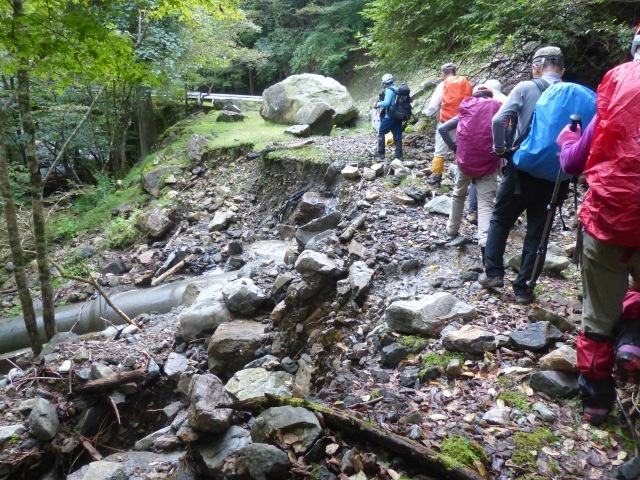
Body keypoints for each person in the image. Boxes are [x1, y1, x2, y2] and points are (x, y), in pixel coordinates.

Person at [555, 25, 640, 425]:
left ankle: (596, 401)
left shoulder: (616, 93)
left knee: (597, 315)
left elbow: (573, 163)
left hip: (608, 219)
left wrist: (566, 141)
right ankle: (633, 342)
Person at [479, 46, 569, 305]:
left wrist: (500, 149)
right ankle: (524, 289)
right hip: (556, 176)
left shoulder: (525, 88)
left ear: (536, 67)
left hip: (522, 171)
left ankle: (494, 274)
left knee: (500, 220)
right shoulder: (573, 93)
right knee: (537, 234)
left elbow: (499, 121)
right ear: (562, 70)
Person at [438, 85, 502, 260]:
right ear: (490, 96)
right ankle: (484, 241)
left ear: (474, 96)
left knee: (459, 195)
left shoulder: (466, 108)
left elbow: (442, 129)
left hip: (464, 161)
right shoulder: (497, 108)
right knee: (485, 203)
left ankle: (452, 229)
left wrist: (455, 148)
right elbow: (507, 132)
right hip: (488, 161)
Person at [423, 62, 472, 188]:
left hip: (446, 121)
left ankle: (436, 178)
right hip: (463, 121)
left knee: (439, 151)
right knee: (462, 149)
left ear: (443, 74)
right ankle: (461, 179)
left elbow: (434, 105)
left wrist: (427, 113)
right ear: (455, 71)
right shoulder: (466, 82)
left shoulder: (443, 85)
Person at [375, 74, 403, 160]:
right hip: (398, 115)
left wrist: (378, 104)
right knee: (397, 133)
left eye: (382, 83)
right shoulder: (396, 89)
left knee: (381, 131)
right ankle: (399, 155)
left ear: (385, 83)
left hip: (390, 115)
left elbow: (386, 103)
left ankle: (381, 154)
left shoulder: (389, 91)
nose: (382, 85)